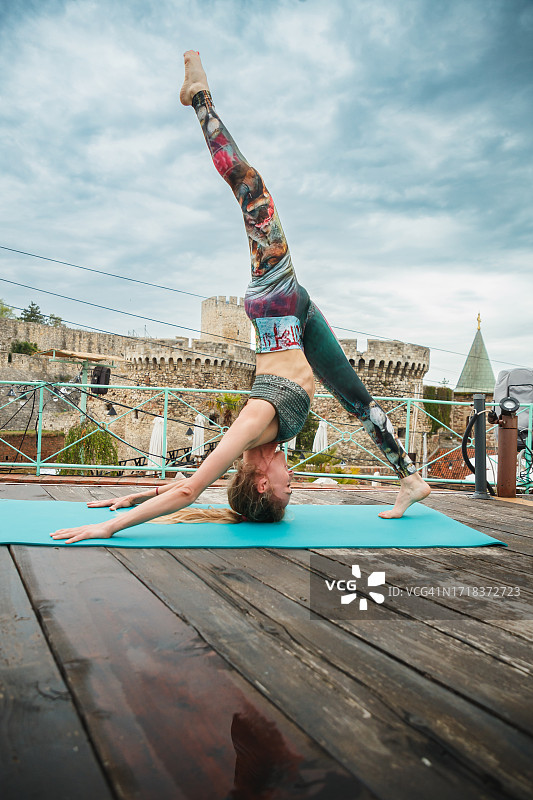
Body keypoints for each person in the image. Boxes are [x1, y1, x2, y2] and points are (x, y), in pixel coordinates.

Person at [51, 51, 430, 545]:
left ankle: (199, 99)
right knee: (359, 401)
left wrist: (111, 524)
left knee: (249, 186)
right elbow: (194, 482)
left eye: (285, 491)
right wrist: (140, 494)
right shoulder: (268, 438)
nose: (294, 485)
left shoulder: (254, 424)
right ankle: (411, 479)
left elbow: (191, 489)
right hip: (298, 317)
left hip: (276, 305)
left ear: (261, 482)